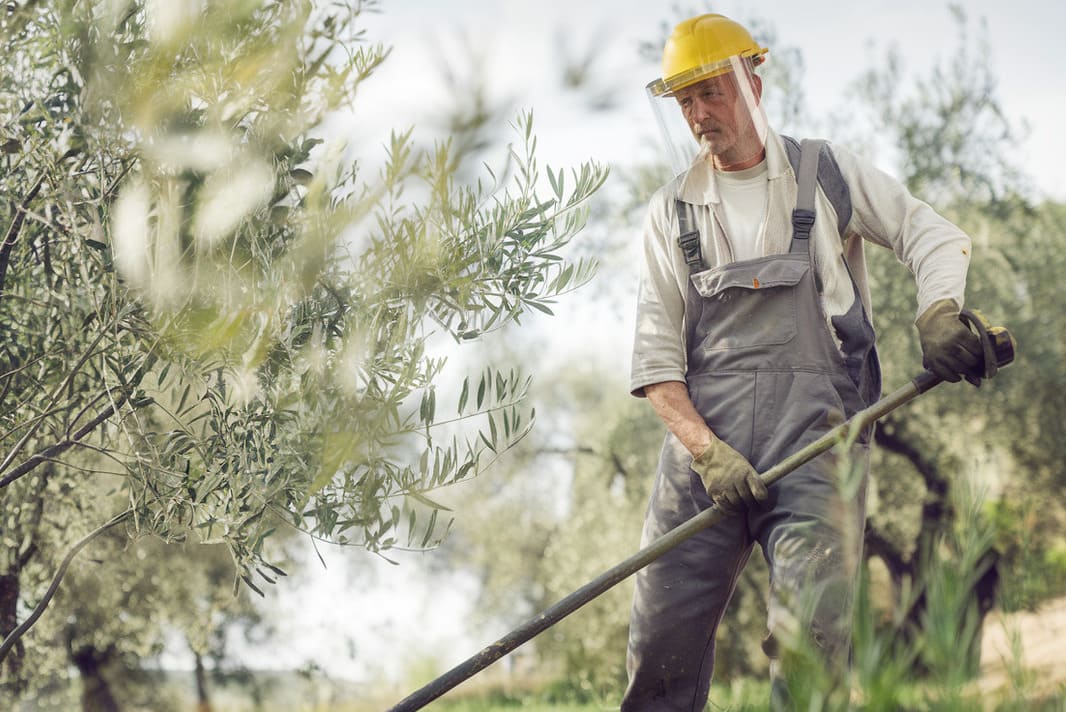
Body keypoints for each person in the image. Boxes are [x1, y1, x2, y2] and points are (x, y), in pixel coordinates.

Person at [624, 13, 983, 710]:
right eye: (685, 100)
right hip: (706, 457)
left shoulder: (827, 173)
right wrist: (706, 453)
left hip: (816, 443)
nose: (700, 114)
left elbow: (929, 233)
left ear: (752, 84)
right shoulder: (672, 212)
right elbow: (655, 360)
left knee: (814, 642)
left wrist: (938, 313)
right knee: (659, 645)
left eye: (711, 92)